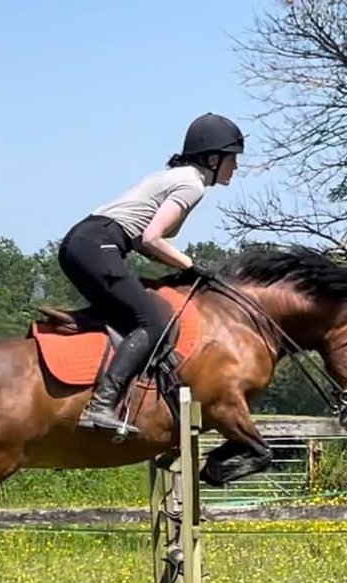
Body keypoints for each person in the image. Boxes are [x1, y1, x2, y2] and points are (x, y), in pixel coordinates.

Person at [57, 112, 244, 435]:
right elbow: (151, 239)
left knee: (130, 315)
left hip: (82, 243)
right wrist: (191, 266)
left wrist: (183, 266)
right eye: (232, 159)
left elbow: (149, 242)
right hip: (97, 244)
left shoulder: (176, 177)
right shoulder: (191, 184)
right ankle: (101, 404)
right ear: (213, 158)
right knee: (154, 322)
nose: (236, 167)